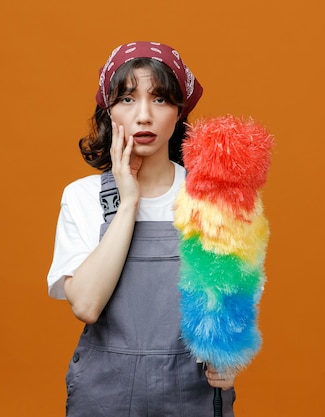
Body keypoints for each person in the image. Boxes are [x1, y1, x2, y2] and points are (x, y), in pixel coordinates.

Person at [47, 41, 237, 416]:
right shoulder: (82, 198)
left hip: (191, 392)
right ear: (109, 111)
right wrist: (128, 202)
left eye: (161, 100)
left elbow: (236, 291)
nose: (145, 116)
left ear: (180, 111)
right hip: (104, 395)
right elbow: (85, 305)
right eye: (128, 100)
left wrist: (230, 355)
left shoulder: (212, 198)